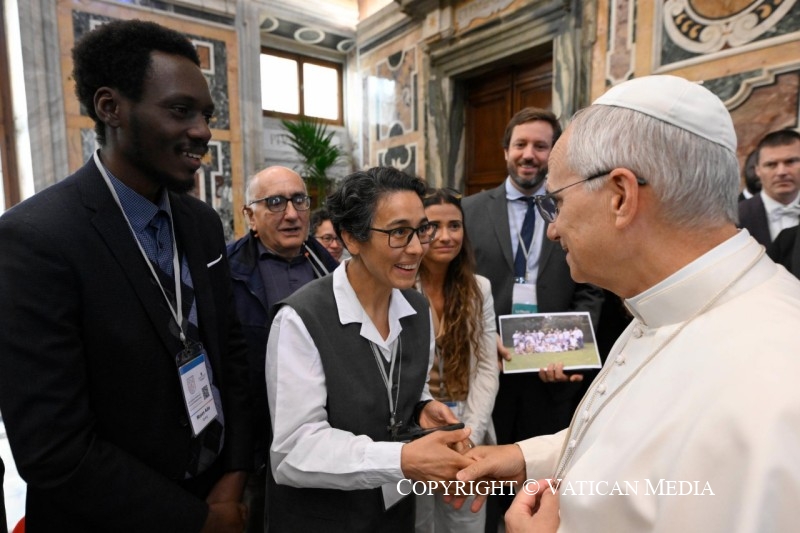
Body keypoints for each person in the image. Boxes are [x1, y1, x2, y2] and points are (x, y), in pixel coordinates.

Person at [455, 74, 800, 532]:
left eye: (556, 202)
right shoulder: (663, 305)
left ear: (620, 196)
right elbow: (634, 439)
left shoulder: (772, 387)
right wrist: (525, 457)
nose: (553, 228)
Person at [0, 20, 253, 532]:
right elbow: (54, 448)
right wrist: (198, 522)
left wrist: (234, 475)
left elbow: (230, 354)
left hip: (216, 492)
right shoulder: (35, 239)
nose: (203, 131)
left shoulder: (201, 223)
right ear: (110, 107)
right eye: (180, 110)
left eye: (205, 115)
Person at [266, 167, 474, 532]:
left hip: (394, 512)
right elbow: (294, 449)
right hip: (324, 519)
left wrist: (421, 408)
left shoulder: (416, 308)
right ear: (352, 238)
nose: (416, 248)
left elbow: (397, 385)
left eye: (420, 229)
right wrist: (402, 458)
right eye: (398, 232)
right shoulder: (302, 318)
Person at [461, 107, 604, 531]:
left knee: (543, 486)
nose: (529, 154)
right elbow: (454, 284)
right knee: (484, 483)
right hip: (488, 373)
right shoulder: (469, 210)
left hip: (551, 379)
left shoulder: (575, 206)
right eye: (520, 144)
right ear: (505, 150)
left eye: (541, 146)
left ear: (554, 153)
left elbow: (591, 286)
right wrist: (478, 338)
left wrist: (572, 351)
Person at [226, 166, 338, 532]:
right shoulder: (225, 272)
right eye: (275, 202)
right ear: (250, 216)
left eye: (299, 200)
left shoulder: (332, 269)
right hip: (257, 442)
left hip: (325, 435)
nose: (291, 214)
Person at [414, 188, 499, 532]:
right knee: (419, 522)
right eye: (433, 227)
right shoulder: (399, 289)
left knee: (466, 521)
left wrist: (470, 435)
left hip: (468, 417)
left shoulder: (479, 289)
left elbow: (487, 367)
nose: (446, 236)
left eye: (455, 225)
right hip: (417, 425)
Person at [737, 129, 800, 245]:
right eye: (771, 164)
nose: (781, 172)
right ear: (757, 170)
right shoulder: (736, 217)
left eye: (791, 161)